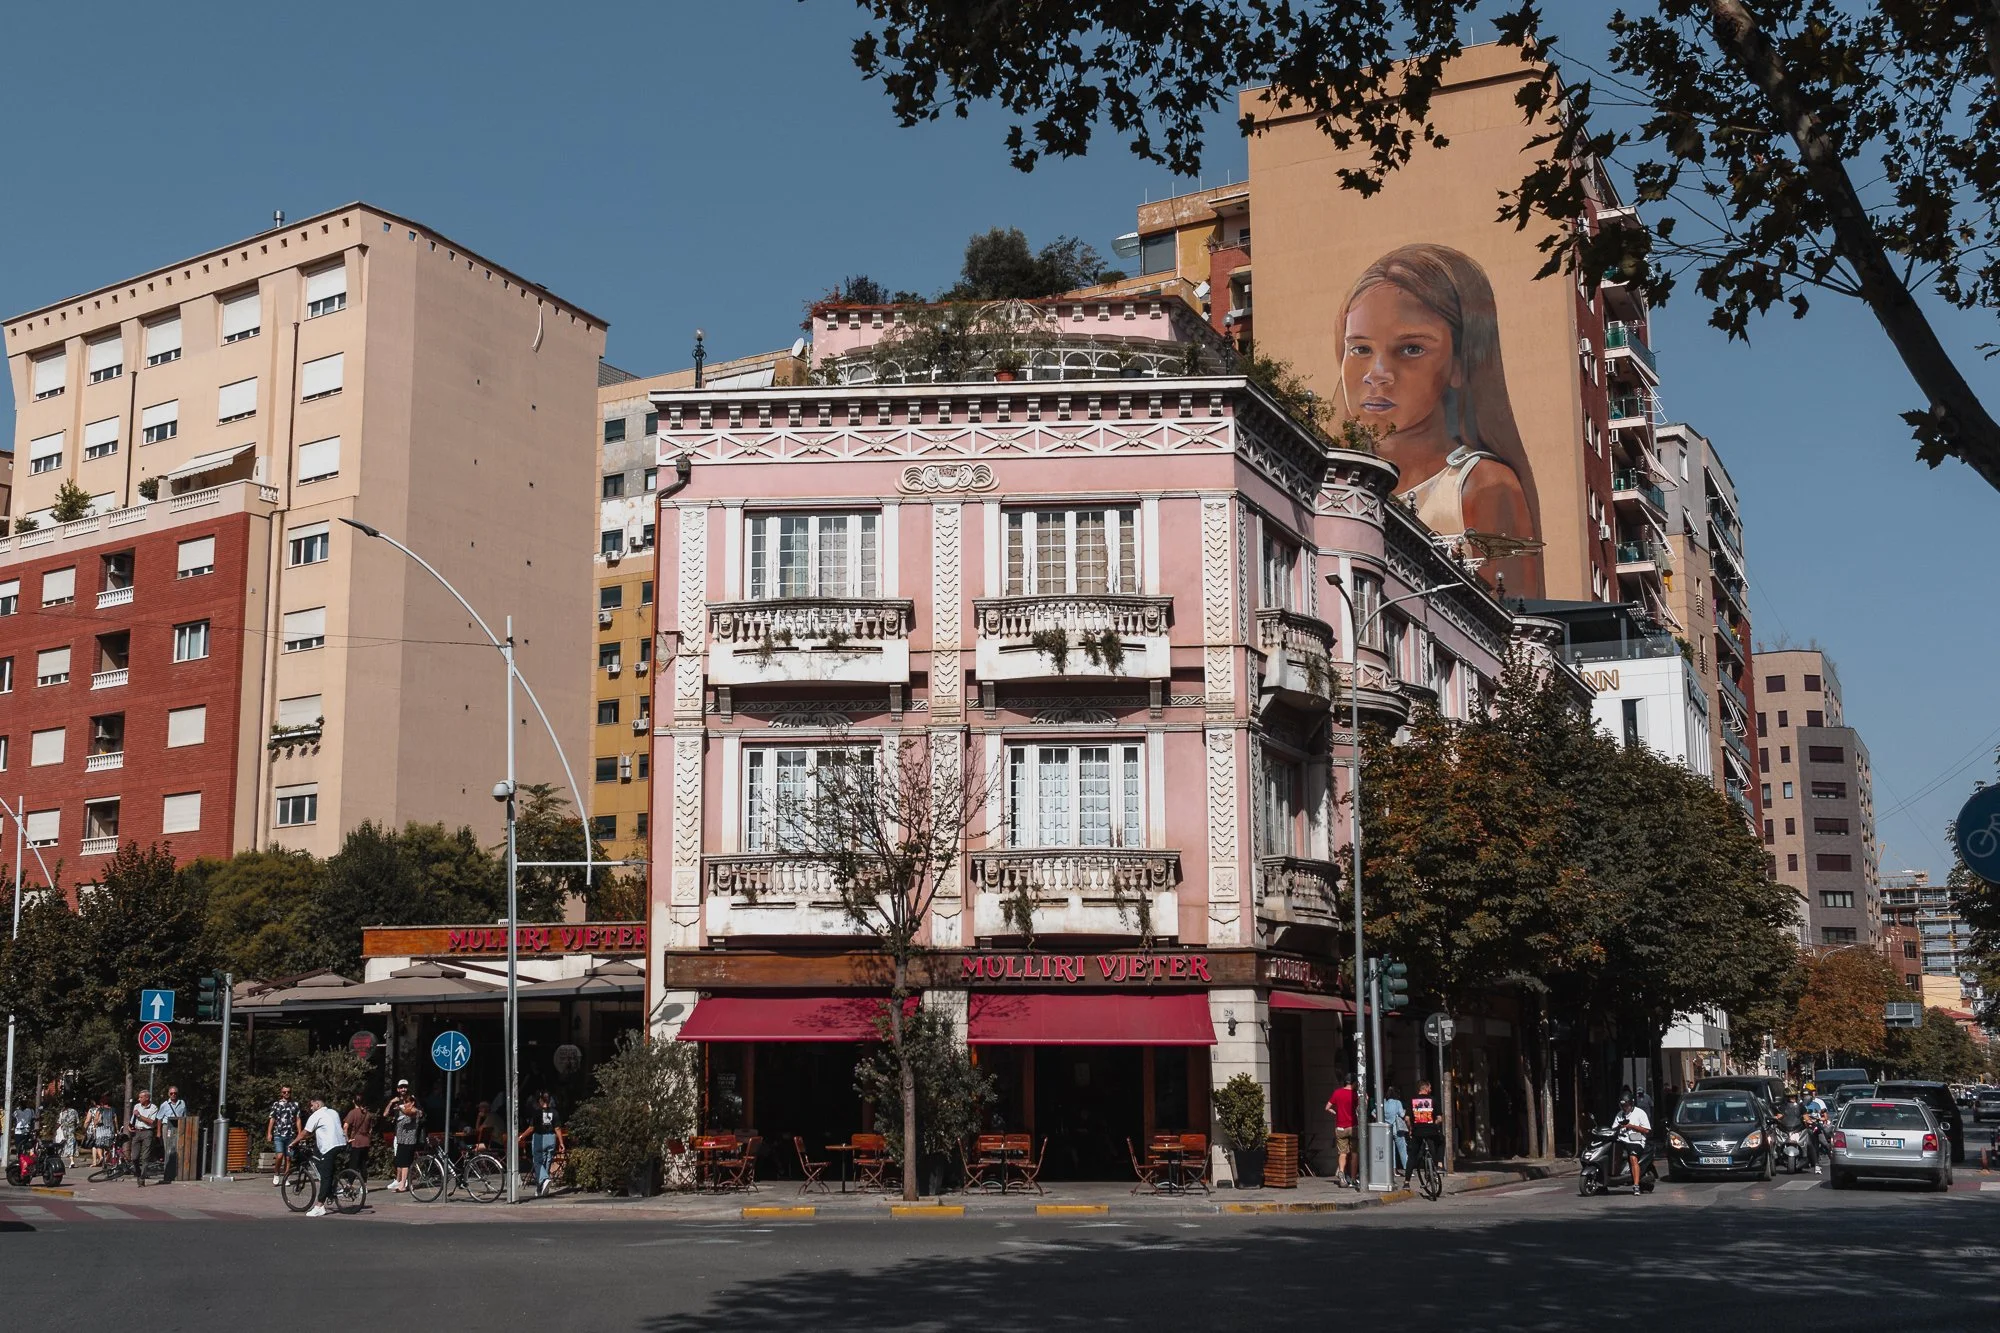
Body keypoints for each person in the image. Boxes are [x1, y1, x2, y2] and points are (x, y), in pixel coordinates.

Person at [1335, 243, 1543, 598]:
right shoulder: (1333, 481)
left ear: (1460, 365)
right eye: (1360, 349)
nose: (1377, 374)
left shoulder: (1485, 486)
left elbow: (1517, 623)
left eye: (1411, 349)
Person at [299, 1094, 348, 1217]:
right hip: (341, 1144)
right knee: (324, 1165)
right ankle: (332, 1188)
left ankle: (319, 1206)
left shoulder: (316, 1115)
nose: (311, 1108)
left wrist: (293, 1143)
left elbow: (305, 1132)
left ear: (317, 1104)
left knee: (325, 1176)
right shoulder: (333, 1112)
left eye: (312, 1105)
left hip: (329, 1147)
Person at [518, 1091, 568, 1198]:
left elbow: (531, 1128)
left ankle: (544, 1180)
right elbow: (557, 1128)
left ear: (540, 1100)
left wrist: (521, 1137)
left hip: (539, 1138)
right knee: (547, 1163)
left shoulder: (537, 1112)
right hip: (551, 1138)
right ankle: (542, 1188)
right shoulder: (554, 1112)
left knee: (538, 1162)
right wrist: (561, 1143)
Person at [1612, 1090, 1651, 1194]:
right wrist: (1619, 1127)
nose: (1625, 1108)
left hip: (1635, 1141)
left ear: (1631, 1104)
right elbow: (1613, 1128)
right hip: (1621, 1140)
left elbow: (1646, 1130)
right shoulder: (1620, 1114)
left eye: (1627, 1106)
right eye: (1623, 1106)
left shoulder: (1640, 1113)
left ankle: (1636, 1185)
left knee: (1633, 1158)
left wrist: (1631, 1126)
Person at [388, 1092, 424, 1192]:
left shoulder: (415, 1111)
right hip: (401, 1140)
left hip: (409, 1141)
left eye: (407, 1102)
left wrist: (400, 1109)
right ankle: (405, 1183)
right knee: (400, 1162)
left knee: (405, 1164)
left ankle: (403, 1185)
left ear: (412, 1103)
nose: (405, 1104)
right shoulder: (403, 1111)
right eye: (404, 1102)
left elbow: (409, 1113)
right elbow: (386, 1114)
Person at [1326, 1080, 1359, 1189]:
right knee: (1354, 1153)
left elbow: (1327, 1107)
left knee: (1342, 1153)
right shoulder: (1355, 1094)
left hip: (1340, 1127)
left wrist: (1335, 1112)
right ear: (1354, 1083)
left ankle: (1341, 1173)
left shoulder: (1337, 1092)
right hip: (1353, 1126)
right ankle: (1353, 1179)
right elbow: (1360, 1108)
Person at [267, 1085, 301, 1187]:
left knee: (288, 1158)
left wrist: (300, 1133)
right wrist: (269, 1133)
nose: (286, 1094)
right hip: (278, 1134)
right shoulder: (276, 1104)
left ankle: (286, 1177)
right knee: (280, 1155)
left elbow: (298, 1119)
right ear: (281, 1093)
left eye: (288, 1092)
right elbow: (272, 1119)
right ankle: (276, 1173)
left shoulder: (295, 1104)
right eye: (284, 1092)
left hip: (290, 1134)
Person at [128, 1089, 160, 1187]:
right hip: (137, 1132)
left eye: (141, 1097)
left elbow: (152, 1122)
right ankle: (138, 1173)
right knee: (134, 1157)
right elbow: (133, 1119)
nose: (139, 1099)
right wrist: (130, 1126)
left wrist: (140, 1116)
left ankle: (142, 1178)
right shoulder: (137, 1106)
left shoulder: (153, 1108)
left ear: (147, 1098)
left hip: (147, 1132)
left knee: (145, 1158)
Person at [157, 1085, 187, 1182]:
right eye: (171, 1093)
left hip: (179, 1127)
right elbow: (159, 1118)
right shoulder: (164, 1105)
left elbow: (185, 1116)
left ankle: (178, 1172)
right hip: (167, 1127)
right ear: (168, 1094)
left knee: (179, 1148)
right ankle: (168, 1174)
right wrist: (158, 1132)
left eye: (175, 1093)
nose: (173, 1095)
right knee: (168, 1149)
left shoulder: (182, 1103)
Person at [343, 1096, 374, 1181]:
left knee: (353, 1164)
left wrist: (347, 1139)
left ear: (353, 1101)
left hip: (356, 1141)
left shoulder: (352, 1113)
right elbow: (370, 1129)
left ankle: (349, 1183)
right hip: (366, 1141)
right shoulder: (368, 1114)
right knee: (363, 1163)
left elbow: (345, 1127)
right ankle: (364, 1183)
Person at [1382, 1085, 1410, 1180]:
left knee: (1391, 1150)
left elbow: (1374, 1112)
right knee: (1402, 1150)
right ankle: (1407, 1169)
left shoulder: (1383, 1102)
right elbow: (1402, 1114)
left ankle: (1394, 1170)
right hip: (1396, 1129)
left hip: (1386, 1129)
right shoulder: (1397, 1102)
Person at [84, 1097, 111, 1167]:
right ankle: (103, 1159)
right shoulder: (107, 1109)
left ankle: (95, 1161)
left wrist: (84, 1128)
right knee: (104, 1144)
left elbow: (87, 1121)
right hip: (106, 1129)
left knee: (95, 1145)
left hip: (94, 1129)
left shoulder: (92, 1110)